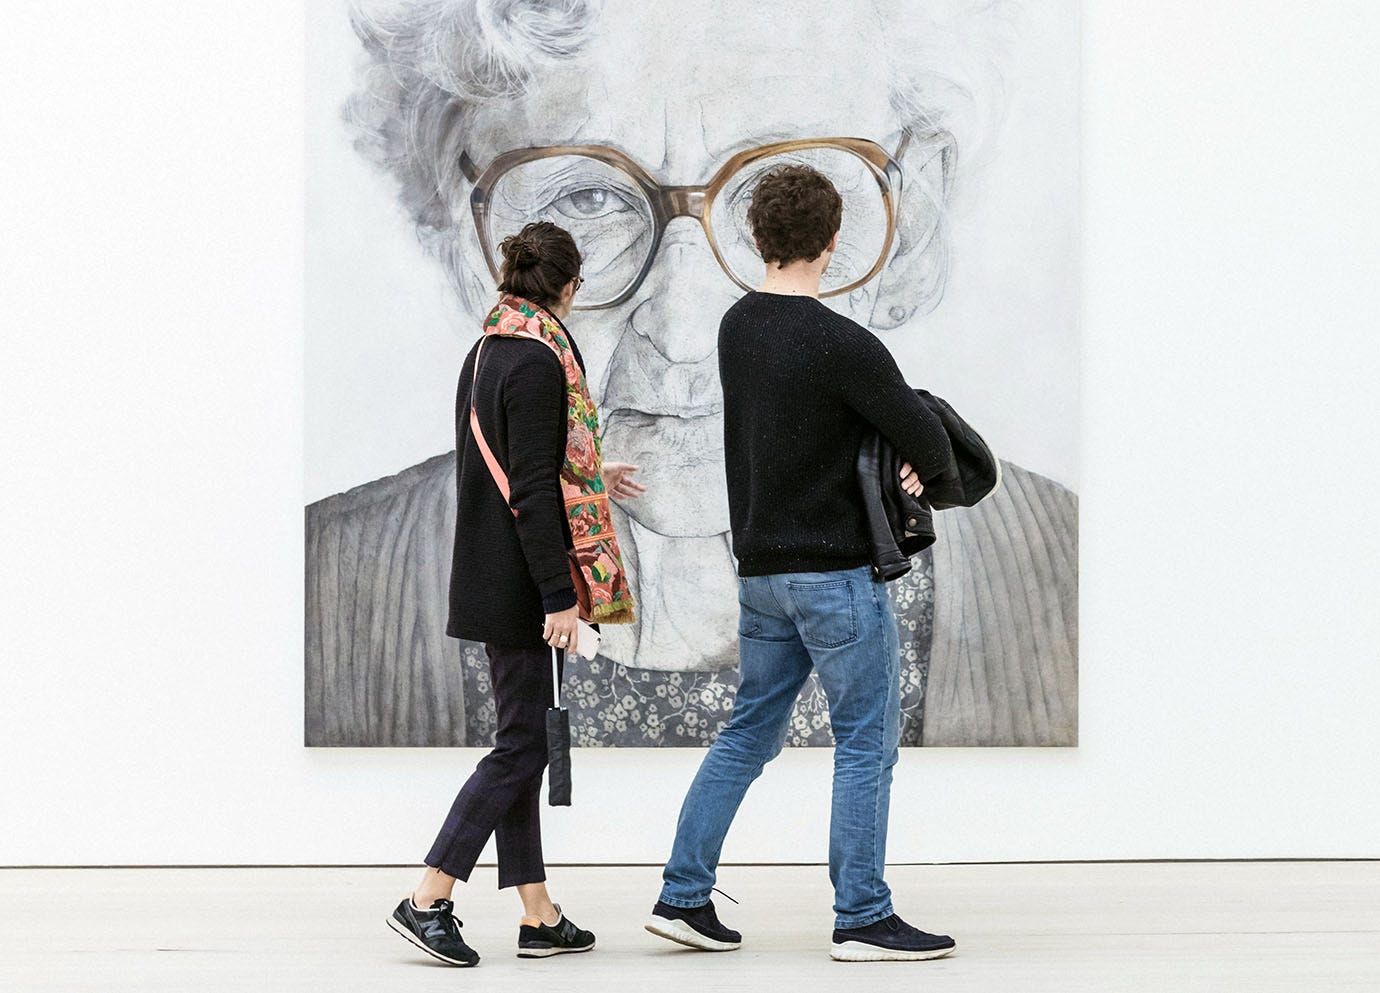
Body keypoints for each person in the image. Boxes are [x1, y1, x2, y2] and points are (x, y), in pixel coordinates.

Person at [307, 0, 1077, 749]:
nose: (681, 332)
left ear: (910, 217)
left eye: (778, 191)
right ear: (462, 220)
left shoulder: (1059, 561)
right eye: (587, 195)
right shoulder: (332, 583)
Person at [646, 166, 957, 962]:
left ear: (757, 238)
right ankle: (862, 915)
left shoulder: (735, 329)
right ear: (830, 241)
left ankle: (683, 895)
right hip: (834, 578)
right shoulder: (845, 344)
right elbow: (927, 441)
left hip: (761, 575)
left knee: (748, 731)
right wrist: (919, 466)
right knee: (863, 742)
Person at [387, 221, 642, 966]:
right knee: (521, 745)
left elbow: (521, 463)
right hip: (522, 585)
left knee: (522, 739)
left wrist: (594, 475)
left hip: (496, 572)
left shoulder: (489, 349)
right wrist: (560, 597)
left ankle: (538, 914)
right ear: (569, 287)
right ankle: (428, 894)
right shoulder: (538, 360)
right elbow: (527, 487)